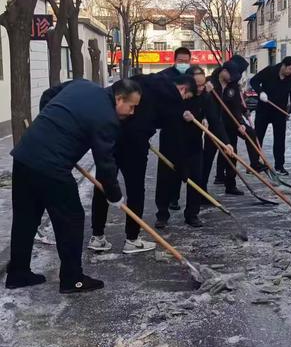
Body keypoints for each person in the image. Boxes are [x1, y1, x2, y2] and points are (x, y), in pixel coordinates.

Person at [6, 79, 141, 293]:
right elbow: (105, 163)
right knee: (71, 220)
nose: (132, 112)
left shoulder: (81, 85)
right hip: (52, 166)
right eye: (131, 106)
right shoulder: (107, 118)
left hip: (25, 155)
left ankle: (17, 273)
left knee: (25, 217)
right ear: (118, 98)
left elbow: (49, 95)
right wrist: (114, 195)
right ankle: (72, 279)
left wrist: (54, 126)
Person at [89, 74, 197, 253]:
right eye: (188, 97)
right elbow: (174, 137)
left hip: (110, 138)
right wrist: (182, 168)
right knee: (135, 190)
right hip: (135, 147)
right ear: (183, 89)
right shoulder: (173, 100)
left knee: (103, 185)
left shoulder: (142, 80)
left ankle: (97, 236)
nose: (185, 101)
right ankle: (132, 239)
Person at [155, 66, 234, 228]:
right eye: (197, 85)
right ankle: (162, 214)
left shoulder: (205, 97)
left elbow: (215, 121)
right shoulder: (175, 96)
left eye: (203, 84)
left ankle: (192, 214)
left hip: (193, 145)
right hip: (171, 144)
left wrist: (225, 142)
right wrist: (180, 115)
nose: (201, 88)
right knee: (166, 179)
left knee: (196, 180)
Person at [202, 55, 265, 196]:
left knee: (232, 154)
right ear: (223, 70)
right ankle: (202, 190)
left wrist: (241, 123)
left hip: (230, 124)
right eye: (230, 75)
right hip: (213, 125)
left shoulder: (233, 86)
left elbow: (236, 106)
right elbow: (202, 103)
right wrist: (205, 115)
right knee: (207, 158)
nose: (232, 78)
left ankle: (231, 185)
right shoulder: (209, 83)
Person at [155, 46, 192, 211]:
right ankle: (162, 208)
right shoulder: (164, 76)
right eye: (180, 61)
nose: (184, 64)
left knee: (180, 165)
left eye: (186, 61)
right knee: (165, 168)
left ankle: (174, 198)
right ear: (174, 60)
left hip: (187, 128)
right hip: (169, 128)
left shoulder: (192, 76)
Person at [251, 56, 291, 176]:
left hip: (279, 112)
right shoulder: (270, 71)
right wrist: (261, 92)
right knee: (258, 137)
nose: (290, 71)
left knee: (279, 139)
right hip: (264, 109)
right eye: (289, 69)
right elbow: (254, 81)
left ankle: (279, 166)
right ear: (283, 65)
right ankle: (254, 164)